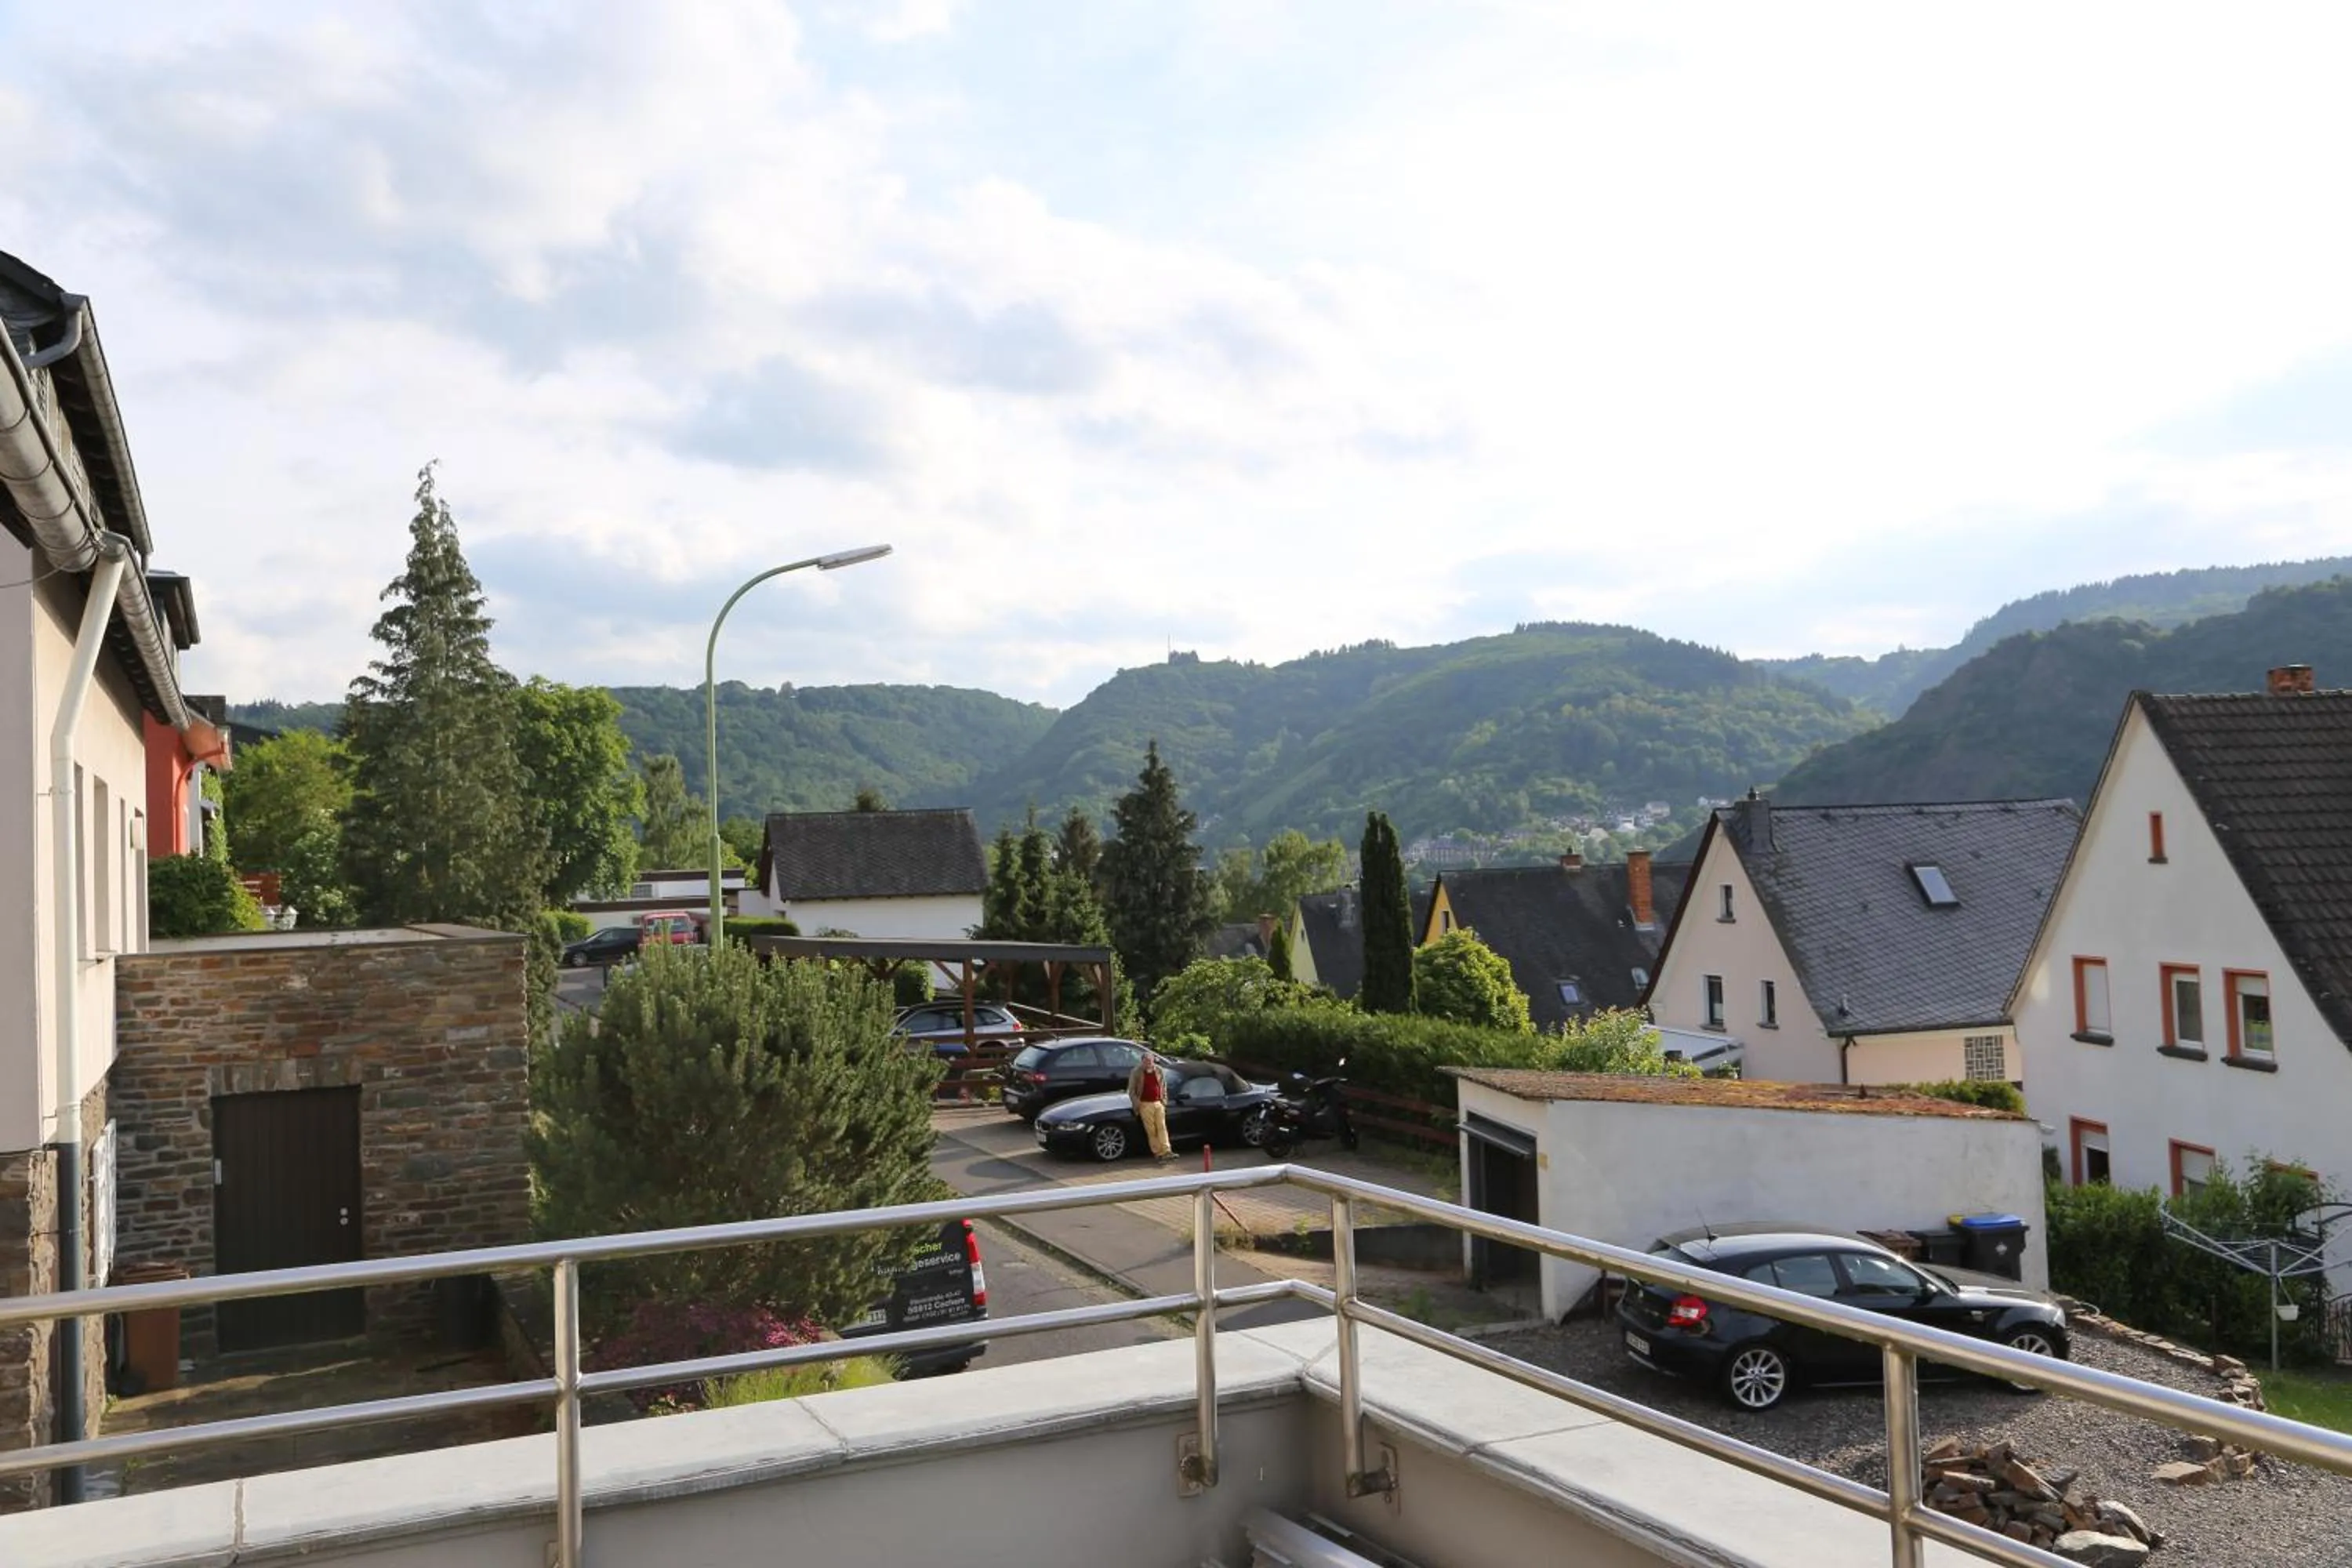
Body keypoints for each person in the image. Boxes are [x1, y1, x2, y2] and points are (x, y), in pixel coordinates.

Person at [1127, 1052, 1174, 1160]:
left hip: (1158, 1103)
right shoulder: (1136, 1072)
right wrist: (1138, 1103)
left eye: (1150, 1061)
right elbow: (1131, 1090)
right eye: (1146, 1061)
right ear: (1142, 1061)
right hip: (1145, 1104)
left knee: (1162, 1127)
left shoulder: (1159, 1070)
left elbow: (1163, 1086)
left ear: (1153, 1061)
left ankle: (1167, 1150)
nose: (1149, 1063)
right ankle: (1158, 1153)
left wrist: (1164, 1101)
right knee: (1151, 1130)